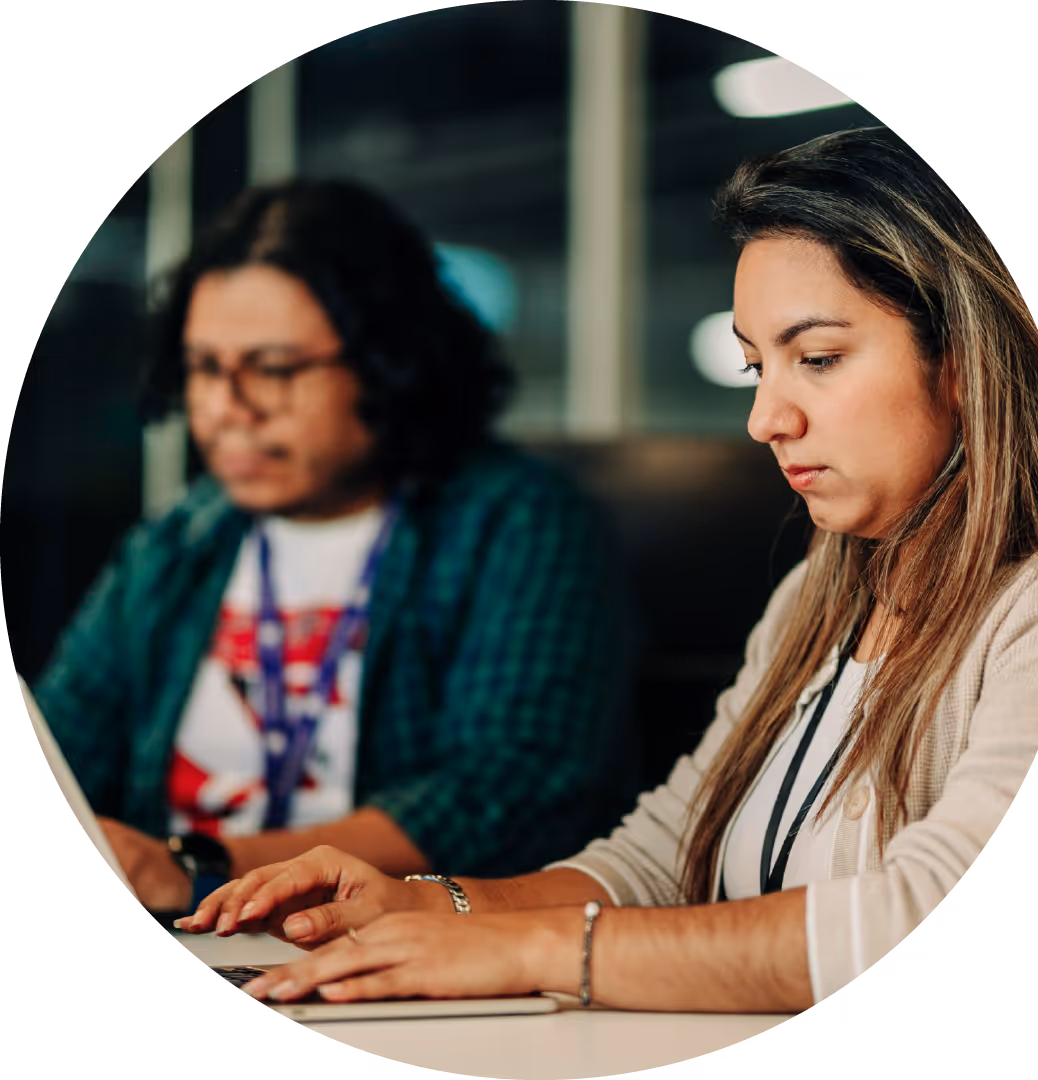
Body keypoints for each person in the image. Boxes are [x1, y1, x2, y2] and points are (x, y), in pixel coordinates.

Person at [179, 127, 1038, 1011]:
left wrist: (531, 949)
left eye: (818, 359)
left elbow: (936, 919)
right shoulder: (822, 590)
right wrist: (431, 903)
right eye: (757, 367)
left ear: (966, 359)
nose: (768, 418)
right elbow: (663, 856)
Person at [34, 179, 636, 914]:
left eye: (275, 369)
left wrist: (202, 868)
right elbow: (61, 756)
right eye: (203, 368)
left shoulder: (514, 522)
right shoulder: (176, 544)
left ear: (388, 364)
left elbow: (512, 790)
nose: (229, 409)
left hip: (401, 948)